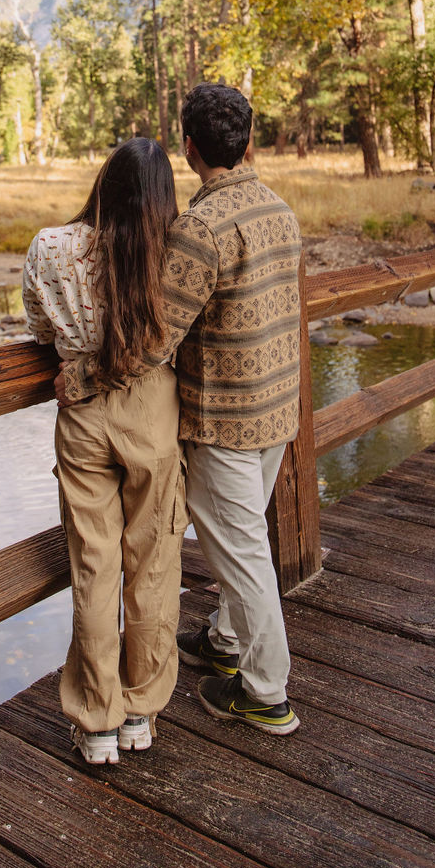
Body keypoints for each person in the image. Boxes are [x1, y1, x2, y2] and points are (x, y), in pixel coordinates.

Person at [61, 83, 303, 736]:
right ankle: (227, 639)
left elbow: (154, 337)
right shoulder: (280, 208)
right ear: (250, 142)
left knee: (244, 554)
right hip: (279, 408)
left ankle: (265, 691)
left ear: (191, 148)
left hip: (227, 420)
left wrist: (82, 374)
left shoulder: (200, 227)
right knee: (245, 532)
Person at [22, 137, 186, 766]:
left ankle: (96, 722)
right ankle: (141, 711)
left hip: (82, 412)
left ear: (103, 184)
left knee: (95, 566)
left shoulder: (50, 247)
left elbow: (39, 329)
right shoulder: (172, 251)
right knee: (153, 561)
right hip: (153, 410)